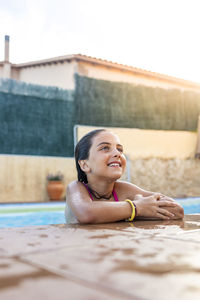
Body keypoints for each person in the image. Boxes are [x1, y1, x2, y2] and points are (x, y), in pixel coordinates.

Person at [65, 129, 184, 224]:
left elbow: (177, 211)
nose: (117, 153)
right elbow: (86, 213)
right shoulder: (76, 188)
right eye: (105, 148)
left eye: (119, 149)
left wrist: (133, 212)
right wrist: (136, 207)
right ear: (85, 164)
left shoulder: (123, 190)